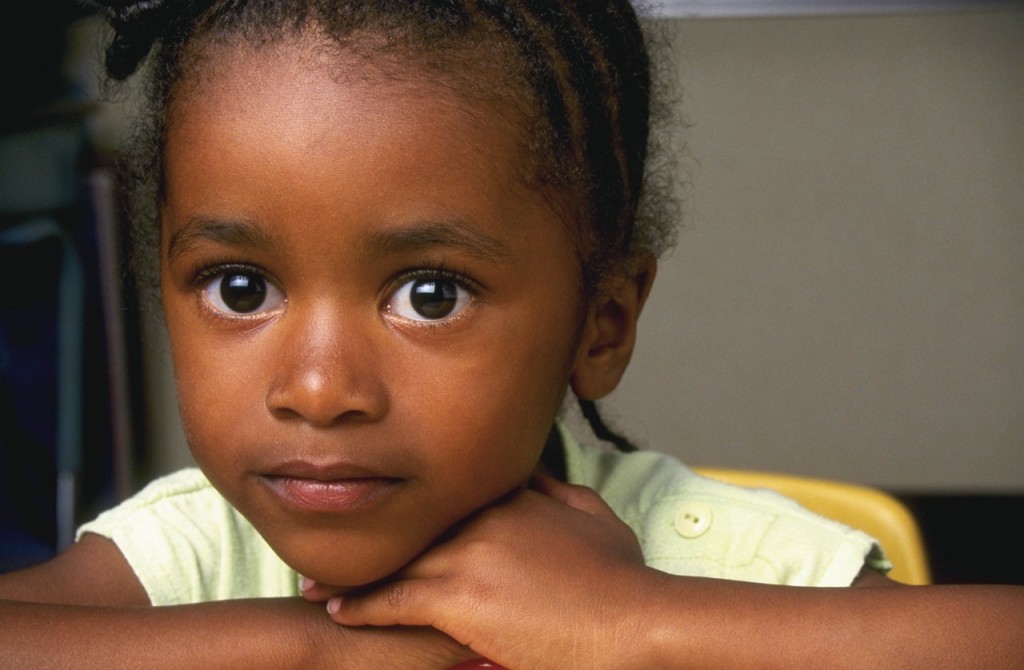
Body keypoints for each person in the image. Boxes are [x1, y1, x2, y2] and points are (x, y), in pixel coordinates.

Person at [1, 1, 1022, 668]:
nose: (317, 388)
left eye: (430, 295)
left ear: (601, 321)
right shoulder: (192, 552)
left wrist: (638, 623)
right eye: (238, 285)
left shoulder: (718, 558)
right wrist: (327, 649)